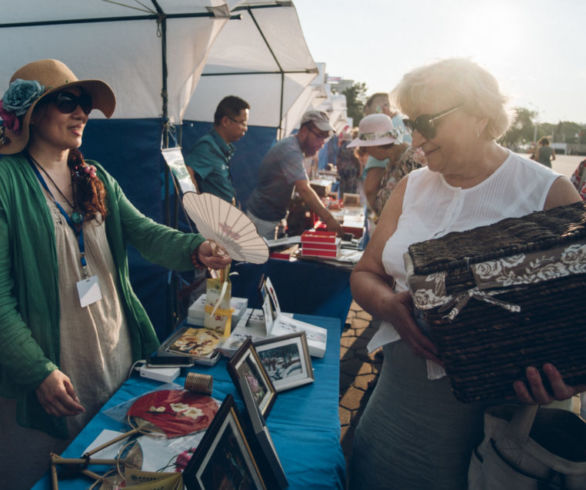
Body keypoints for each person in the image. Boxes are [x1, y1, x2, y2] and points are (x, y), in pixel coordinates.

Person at [348, 58, 584, 489]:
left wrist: (562, 380)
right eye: (409, 122)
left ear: (479, 114)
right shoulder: (412, 186)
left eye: (426, 121)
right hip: (392, 408)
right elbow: (366, 271)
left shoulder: (549, 192)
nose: (415, 137)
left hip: (489, 435)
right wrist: (389, 306)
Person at [0, 59, 231, 488]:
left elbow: (143, 231)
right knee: (46, 474)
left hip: (111, 352)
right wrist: (36, 371)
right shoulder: (4, 180)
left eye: (84, 103)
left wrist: (195, 248)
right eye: (67, 101)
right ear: (31, 113)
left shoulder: (94, 175)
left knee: (111, 470)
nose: (81, 112)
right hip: (51, 370)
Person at [246, 110, 343, 239]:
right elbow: (304, 188)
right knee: (261, 258)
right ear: (303, 131)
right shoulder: (290, 150)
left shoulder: (294, 147)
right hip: (262, 220)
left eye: (325, 138)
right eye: (319, 136)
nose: (322, 143)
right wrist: (329, 220)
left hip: (273, 217)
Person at [347, 113, 425, 216]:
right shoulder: (394, 161)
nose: (367, 153)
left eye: (365, 147)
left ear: (376, 145)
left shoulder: (412, 159)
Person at [184, 95, 250, 204]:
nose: (245, 128)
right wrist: (199, 208)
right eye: (243, 123)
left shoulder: (222, 148)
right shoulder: (207, 147)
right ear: (225, 121)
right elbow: (187, 173)